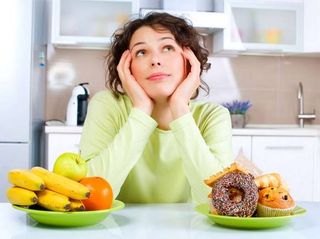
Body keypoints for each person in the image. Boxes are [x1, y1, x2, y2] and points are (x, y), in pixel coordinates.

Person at [80, 12, 233, 204]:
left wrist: (179, 109)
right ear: (127, 67)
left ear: (189, 60)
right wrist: (141, 110)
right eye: (141, 52)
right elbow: (90, 196)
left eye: (168, 48)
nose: (155, 60)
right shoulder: (108, 105)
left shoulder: (213, 116)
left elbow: (221, 202)